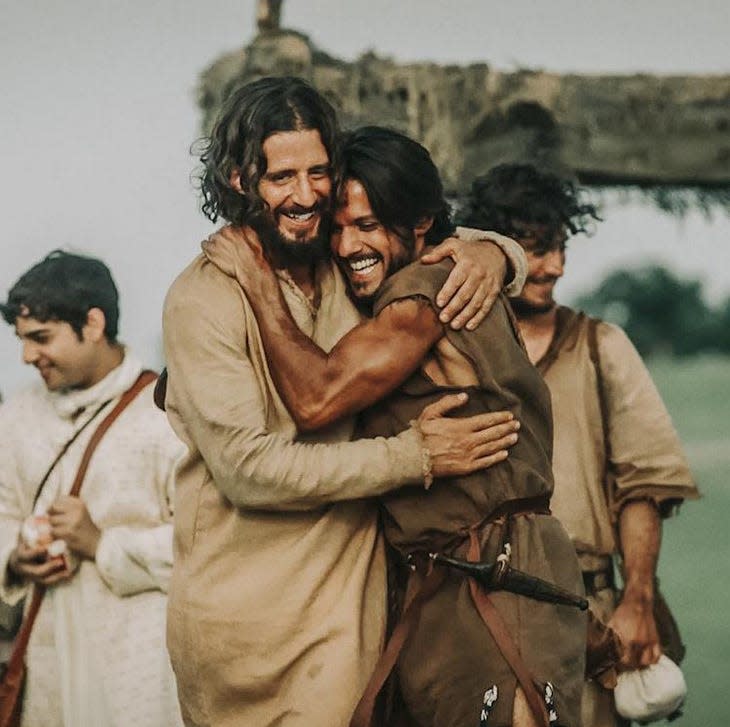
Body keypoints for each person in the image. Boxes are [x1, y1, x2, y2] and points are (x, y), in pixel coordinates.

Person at [162, 77, 529, 727]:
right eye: (281, 177)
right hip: (246, 620)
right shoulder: (204, 298)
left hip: (350, 614)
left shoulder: (342, 264)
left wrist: (494, 253)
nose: (305, 196)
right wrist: (410, 455)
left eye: (319, 173)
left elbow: (406, 228)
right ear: (239, 181)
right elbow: (250, 469)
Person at [459, 163, 700, 727]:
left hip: (587, 609)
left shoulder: (601, 346)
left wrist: (637, 599)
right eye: (537, 249)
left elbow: (644, 486)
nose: (556, 266)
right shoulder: (457, 347)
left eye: (561, 247)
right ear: (498, 251)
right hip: (477, 609)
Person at [0, 251, 184, 727]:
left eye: (41, 338)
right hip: (46, 660)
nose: (27, 356)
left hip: (138, 667)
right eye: (22, 340)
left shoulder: (165, 416)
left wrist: (101, 543)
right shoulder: (16, 417)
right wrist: (16, 557)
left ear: (94, 323)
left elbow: (207, 544)